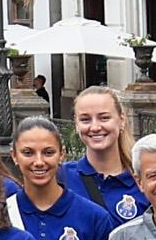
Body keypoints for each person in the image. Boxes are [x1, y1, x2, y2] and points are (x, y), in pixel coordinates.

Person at [64, 87, 150, 232]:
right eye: (85, 119)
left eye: (104, 118)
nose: (95, 127)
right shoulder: (62, 178)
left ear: (121, 120)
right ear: (76, 124)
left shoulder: (144, 178)